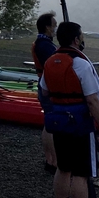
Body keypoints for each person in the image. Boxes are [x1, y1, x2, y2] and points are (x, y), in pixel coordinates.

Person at [40, 21, 99, 198]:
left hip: (59, 123)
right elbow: (92, 101)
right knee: (80, 174)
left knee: (63, 168)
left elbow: (43, 93)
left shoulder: (51, 61)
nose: (82, 39)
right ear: (76, 39)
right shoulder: (81, 63)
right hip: (80, 125)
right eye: (81, 36)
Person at [32, 12, 59, 173]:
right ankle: (52, 160)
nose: (55, 28)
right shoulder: (44, 45)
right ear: (47, 27)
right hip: (48, 87)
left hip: (44, 85)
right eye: (54, 25)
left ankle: (51, 159)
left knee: (48, 123)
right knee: (51, 124)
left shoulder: (44, 43)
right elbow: (53, 67)